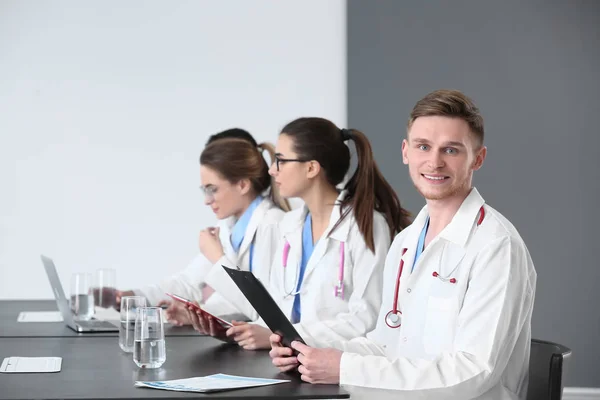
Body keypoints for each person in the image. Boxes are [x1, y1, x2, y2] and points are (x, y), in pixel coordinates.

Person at [269, 90, 537, 400]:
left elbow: (473, 373)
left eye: (451, 150)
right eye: (424, 146)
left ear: (477, 158)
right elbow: (386, 345)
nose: (434, 162)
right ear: (406, 152)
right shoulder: (407, 241)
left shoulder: (496, 245)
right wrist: (309, 353)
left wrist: (345, 368)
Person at [188, 117, 411, 350]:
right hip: (290, 358)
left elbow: (366, 320)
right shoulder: (290, 225)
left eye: (281, 161)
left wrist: (286, 336)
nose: (272, 170)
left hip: (336, 366)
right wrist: (236, 331)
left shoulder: (366, 226)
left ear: (311, 168)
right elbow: (273, 307)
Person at [107, 128, 287, 319]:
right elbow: (189, 283)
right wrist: (135, 297)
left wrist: (217, 259)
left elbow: (260, 307)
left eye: (213, 189)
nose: (207, 201)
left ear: (242, 185)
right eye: (205, 190)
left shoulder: (273, 225)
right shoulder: (229, 227)